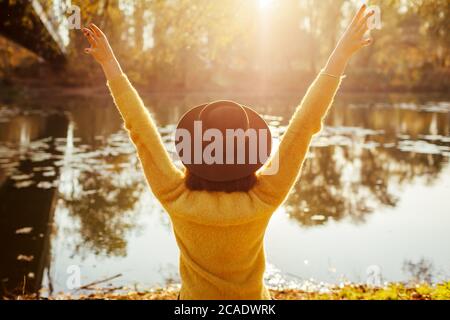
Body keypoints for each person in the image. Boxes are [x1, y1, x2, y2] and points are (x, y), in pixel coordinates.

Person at [82, 4, 374, 300]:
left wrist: (110, 64)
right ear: (250, 155)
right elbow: (303, 128)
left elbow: (141, 132)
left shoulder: (176, 198)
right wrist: (340, 55)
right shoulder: (263, 198)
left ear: (194, 152)